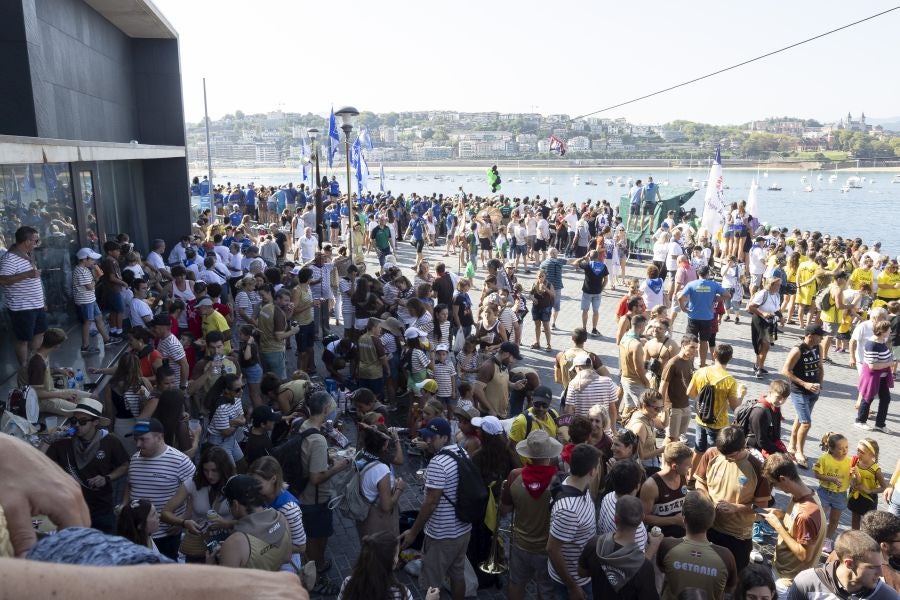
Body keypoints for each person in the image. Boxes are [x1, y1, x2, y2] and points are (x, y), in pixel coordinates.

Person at [399, 418, 472, 600]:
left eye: (432, 438)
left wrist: (413, 532)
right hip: (463, 529)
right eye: (427, 437)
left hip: (442, 533)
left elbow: (431, 503)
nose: (428, 441)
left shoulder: (438, 463)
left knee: (432, 582)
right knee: (457, 574)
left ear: (444, 438)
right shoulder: (462, 452)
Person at [45, 399, 129, 533]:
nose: (77, 425)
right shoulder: (63, 442)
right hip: (71, 509)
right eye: (74, 421)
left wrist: (107, 478)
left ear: (95, 422)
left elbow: (125, 465)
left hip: (101, 509)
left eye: (83, 421)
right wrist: (47, 440)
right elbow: (37, 461)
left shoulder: (110, 441)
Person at [694, 426, 771, 571]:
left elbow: (762, 508)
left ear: (743, 446)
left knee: (733, 576)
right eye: (723, 454)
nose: (727, 458)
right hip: (708, 527)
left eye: (732, 455)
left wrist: (736, 508)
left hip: (736, 536)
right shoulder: (712, 454)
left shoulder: (758, 468)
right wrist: (706, 499)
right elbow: (700, 482)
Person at [294, 391, 349, 585]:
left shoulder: (303, 425)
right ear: (325, 410)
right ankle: (316, 573)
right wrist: (338, 467)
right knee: (316, 536)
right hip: (315, 498)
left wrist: (326, 458)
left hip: (302, 492)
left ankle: (317, 564)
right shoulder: (318, 440)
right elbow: (316, 477)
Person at [501, 429, 563, 600]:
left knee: (516, 583)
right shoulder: (557, 481)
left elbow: (505, 510)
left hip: (520, 543)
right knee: (545, 589)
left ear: (528, 454)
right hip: (545, 547)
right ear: (549, 454)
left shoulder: (514, 475)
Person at [123, 418, 197, 560]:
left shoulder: (180, 461)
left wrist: (182, 519)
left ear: (159, 437)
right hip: (137, 533)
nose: (138, 444)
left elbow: (196, 492)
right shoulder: (135, 459)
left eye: (143, 439)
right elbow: (130, 484)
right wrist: (123, 504)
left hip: (166, 534)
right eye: (136, 439)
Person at [761, 453, 826, 595]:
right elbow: (798, 525)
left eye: (774, 483)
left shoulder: (806, 514)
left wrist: (778, 526)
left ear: (783, 479)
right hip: (783, 572)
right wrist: (782, 515)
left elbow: (805, 556)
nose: (774, 488)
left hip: (788, 581)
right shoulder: (804, 495)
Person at [160, 445, 236, 563]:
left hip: (228, 545)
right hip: (199, 547)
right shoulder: (192, 483)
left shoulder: (234, 483)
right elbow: (165, 513)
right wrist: (184, 523)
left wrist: (227, 524)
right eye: (206, 470)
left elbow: (251, 519)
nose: (209, 475)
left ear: (223, 469)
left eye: (214, 470)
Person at [656, 491, 737, 600]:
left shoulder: (667, 545)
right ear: (711, 521)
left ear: (683, 518)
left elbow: (662, 570)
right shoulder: (726, 556)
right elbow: (729, 589)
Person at [578, 495, 660, 600]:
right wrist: (653, 547)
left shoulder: (594, 544)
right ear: (642, 519)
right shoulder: (644, 567)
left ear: (615, 518)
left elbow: (581, 572)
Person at [548, 443, 601, 600]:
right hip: (574, 581)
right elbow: (552, 550)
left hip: (582, 575)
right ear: (592, 471)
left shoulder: (578, 485)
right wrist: (572, 587)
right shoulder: (569, 511)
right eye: (598, 466)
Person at [787, 530, 897, 600]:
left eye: (880, 565)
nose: (881, 573)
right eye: (872, 567)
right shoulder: (806, 582)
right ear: (849, 564)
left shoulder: (889, 596)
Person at [212, 475, 291, 571]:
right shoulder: (281, 518)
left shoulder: (235, 543)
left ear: (236, 505)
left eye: (229, 504)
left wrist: (212, 563)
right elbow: (287, 558)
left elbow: (225, 580)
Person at [338, 531, 439, 600]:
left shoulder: (349, 583)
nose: (397, 558)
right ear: (392, 563)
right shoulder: (400, 594)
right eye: (396, 555)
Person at [0, 226, 47, 365]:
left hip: (36, 304)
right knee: (23, 339)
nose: (37, 243)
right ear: (27, 241)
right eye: (35, 240)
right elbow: (3, 280)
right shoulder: (10, 258)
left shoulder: (27, 255)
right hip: (22, 307)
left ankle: (35, 363)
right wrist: (27, 274)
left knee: (40, 332)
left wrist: (42, 300)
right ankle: (24, 368)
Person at [22, 327, 93, 416]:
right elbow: (37, 393)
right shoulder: (37, 362)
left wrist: (59, 370)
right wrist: (61, 395)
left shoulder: (42, 353)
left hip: (51, 391)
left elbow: (42, 372)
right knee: (85, 412)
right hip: (40, 401)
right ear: (57, 345)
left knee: (93, 397)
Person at [688, 344, 740, 463]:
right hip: (718, 423)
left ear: (714, 354)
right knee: (714, 454)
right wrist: (741, 396)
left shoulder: (701, 371)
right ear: (730, 358)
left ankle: (692, 473)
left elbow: (689, 392)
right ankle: (708, 473)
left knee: (698, 449)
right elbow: (735, 407)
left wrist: (704, 398)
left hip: (701, 418)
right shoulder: (730, 380)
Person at [782, 324, 825, 468]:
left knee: (800, 419)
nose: (822, 339)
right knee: (806, 423)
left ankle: (791, 446)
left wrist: (820, 383)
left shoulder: (818, 348)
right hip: (799, 392)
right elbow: (786, 371)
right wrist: (805, 384)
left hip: (814, 391)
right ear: (810, 336)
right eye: (820, 336)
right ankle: (799, 452)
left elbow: (820, 367)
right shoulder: (797, 350)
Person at [678, 265, 730, 367]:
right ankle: (702, 364)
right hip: (707, 318)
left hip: (693, 317)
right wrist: (717, 299)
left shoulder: (691, 284)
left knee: (690, 341)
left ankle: (690, 364)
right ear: (708, 274)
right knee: (704, 341)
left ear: (698, 274)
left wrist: (683, 308)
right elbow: (728, 295)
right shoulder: (713, 285)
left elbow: (680, 297)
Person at [640, 441, 693, 537]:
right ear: (674, 466)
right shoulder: (651, 486)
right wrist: (674, 520)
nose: (691, 467)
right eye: (687, 465)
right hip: (661, 537)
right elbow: (644, 518)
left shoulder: (682, 475)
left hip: (682, 531)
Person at [857, 320, 896, 432]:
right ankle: (860, 421)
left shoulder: (882, 341)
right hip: (872, 376)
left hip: (882, 376)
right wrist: (890, 363)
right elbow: (872, 365)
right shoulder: (872, 344)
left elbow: (885, 355)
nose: (891, 331)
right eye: (889, 329)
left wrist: (892, 358)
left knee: (886, 399)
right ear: (882, 331)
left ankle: (880, 424)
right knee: (868, 397)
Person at [72, 247, 113, 353]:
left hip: (90, 299)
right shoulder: (80, 270)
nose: (93, 262)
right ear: (84, 259)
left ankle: (107, 339)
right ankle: (85, 346)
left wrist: (96, 276)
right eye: (92, 259)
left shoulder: (85, 269)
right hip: (85, 300)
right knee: (88, 322)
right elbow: (90, 286)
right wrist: (97, 277)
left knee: (98, 318)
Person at [660, 334, 699, 444]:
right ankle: (663, 455)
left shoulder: (690, 361)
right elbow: (663, 385)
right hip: (673, 407)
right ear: (683, 345)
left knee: (678, 436)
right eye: (692, 347)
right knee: (671, 438)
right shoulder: (673, 363)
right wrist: (662, 407)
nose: (695, 350)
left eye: (696, 348)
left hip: (685, 405)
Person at [472, 341, 525, 417]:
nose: (514, 361)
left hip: (501, 413)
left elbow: (500, 380)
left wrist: (513, 385)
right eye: (513, 358)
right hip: (490, 415)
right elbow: (477, 390)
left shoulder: (504, 364)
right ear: (506, 354)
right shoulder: (488, 367)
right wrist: (491, 409)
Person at [564, 353, 619, 424]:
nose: (575, 371)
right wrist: (613, 429)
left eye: (574, 370)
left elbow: (569, 411)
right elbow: (612, 410)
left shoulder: (573, 384)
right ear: (591, 366)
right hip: (603, 428)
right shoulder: (608, 381)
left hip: (583, 429)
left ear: (578, 367)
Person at [745, 379, 791, 459]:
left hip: (767, 444)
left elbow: (776, 432)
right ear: (770, 393)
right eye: (778, 397)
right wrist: (780, 452)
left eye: (784, 399)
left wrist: (782, 449)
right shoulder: (760, 412)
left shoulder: (775, 406)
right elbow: (761, 441)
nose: (781, 402)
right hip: (753, 447)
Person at [748, 276, 783, 378]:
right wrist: (763, 313)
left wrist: (781, 317)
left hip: (771, 322)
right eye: (777, 285)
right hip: (760, 321)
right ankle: (760, 368)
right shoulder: (763, 293)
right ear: (771, 285)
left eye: (779, 285)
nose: (779, 287)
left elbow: (776, 309)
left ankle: (758, 365)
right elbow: (751, 307)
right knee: (764, 345)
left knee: (765, 346)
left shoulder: (777, 295)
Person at [849, 438, 886, 531]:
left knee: (868, 523)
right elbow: (850, 478)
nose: (858, 453)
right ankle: (855, 537)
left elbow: (883, 487)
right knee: (855, 519)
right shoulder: (855, 464)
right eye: (858, 450)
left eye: (862, 452)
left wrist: (869, 490)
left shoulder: (876, 470)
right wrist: (852, 481)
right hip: (855, 496)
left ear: (872, 454)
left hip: (869, 499)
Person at [619, 313, 651, 411]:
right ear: (641, 326)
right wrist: (646, 382)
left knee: (629, 407)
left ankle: (624, 421)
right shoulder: (636, 345)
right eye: (645, 326)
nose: (645, 328)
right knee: (644, 410)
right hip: (635, 382)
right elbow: (638, 368)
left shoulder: (625, 336)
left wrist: (640, 340)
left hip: (625, 378)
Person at [572, 249, 608, 335]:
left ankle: (584, 328)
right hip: (597, 292)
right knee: (596, 311)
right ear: (598, 257)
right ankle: (594, 330)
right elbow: (606, 279)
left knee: (585, 311)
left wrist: (584, 257)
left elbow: (575, 263)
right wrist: (601, 288)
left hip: (587, 291)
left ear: (590, 257)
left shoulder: (587, 264)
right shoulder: (603, 266)